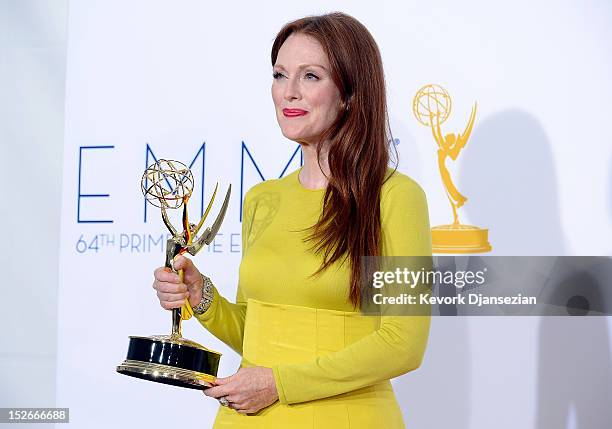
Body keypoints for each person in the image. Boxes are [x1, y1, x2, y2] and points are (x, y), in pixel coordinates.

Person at [152, 12, 432, 428]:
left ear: (350, 93)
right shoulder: (262, 199)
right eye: (280, 75)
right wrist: (201, 295)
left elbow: (403, 344)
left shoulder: (395, 197)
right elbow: (255, 332)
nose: (290, 93)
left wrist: (280, 383)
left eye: (311, 76)